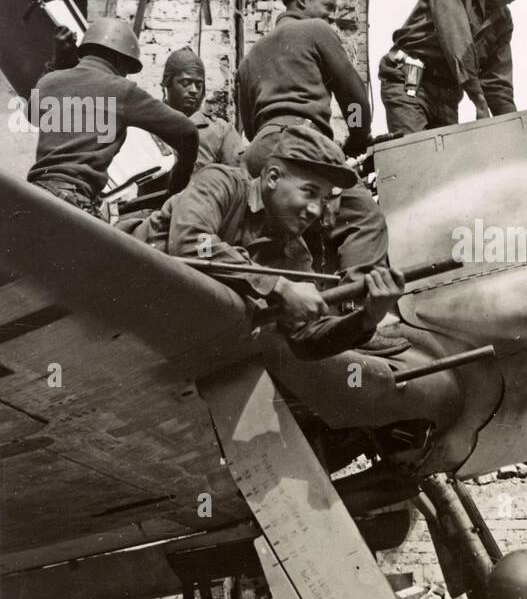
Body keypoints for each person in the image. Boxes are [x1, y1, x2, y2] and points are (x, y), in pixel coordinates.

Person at [130, 126, 404, 359]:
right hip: (118, 295)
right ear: (272, 177)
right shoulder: (221, 183)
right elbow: (193, 243)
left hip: (160, 337)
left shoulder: (294, 253)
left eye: (322, 199)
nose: (316, 210)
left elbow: (305, 340)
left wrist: (368, 317)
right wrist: (278, 287)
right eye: (309, 192)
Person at [237, 0, 387, 279]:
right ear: (302, 0)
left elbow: (250, 126)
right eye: (327, 7)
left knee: (286, 241)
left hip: (260, 153)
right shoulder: (315, 31)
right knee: (365, 220)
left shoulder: (249, 59)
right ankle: (350, 309)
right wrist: (358, 136)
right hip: (303, 147)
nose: (332, 17)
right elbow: (354, 98)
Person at [26, 18, 197, 216]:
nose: (125, 74)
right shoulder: (122, 90)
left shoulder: (49, 80)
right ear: (119, 59)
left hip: (34, 196)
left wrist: (56, 65)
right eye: (127, 68)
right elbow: (188, 132)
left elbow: (32, 115)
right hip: (74, 199)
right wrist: (176, 186)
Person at [379, 0, 527, 136]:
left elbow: (498, 83)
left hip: (448, 96)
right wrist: (479, 101)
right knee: (417, 158)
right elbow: (457, 42)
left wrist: (515, 129)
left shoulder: (503, 20)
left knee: (449, 163)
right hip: (410, 83)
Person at [160, 45, 245, 171]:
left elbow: (239, 177)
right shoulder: (147, 125)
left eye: (199, 85)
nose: (194, 90)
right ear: (168, 84)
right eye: (185, 83)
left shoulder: (221, 131)